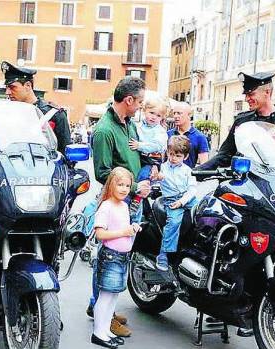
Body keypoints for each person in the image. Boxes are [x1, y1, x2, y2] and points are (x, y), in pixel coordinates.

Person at [88, 76, 151, 337]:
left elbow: (134, 154)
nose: (140, 107)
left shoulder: (128, 124)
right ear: (128, 100)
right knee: (108, 259)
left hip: (130, 202)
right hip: (118, 203)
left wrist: (151, 165)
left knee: (119, 257)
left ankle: (104, 308)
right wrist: (135, 188)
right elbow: (103, 174)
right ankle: (100, 310)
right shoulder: (104, 130)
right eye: (139, 102)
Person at [195, 71, 275, 172]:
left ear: (267, 92)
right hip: (244, 185)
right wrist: (199, 170)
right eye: (246, 95)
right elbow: (225, 155)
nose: (247, 99)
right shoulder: (242, 121)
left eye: (251, 94)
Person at [91, 167, 142, 349]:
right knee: (105, 296)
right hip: (111, 256)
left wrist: (133, 228)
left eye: (127, 186)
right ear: (111, 184)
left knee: (113, 296)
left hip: (122, 256)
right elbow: (100, 234)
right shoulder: (106, 206)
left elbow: (124, 228)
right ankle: (98, 332)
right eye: (120, 184)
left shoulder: (124, 206)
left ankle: (106, 329)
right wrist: (124, 232)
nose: (124, 189)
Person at [0, 61, 72, 154]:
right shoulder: (5, 113)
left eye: (12, 87)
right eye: (7, 88)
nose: (7, 92)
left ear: (28, 86)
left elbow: (65, 152)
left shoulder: (54, 114)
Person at [151, 135, 197, 271]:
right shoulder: (163, 168)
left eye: (177, 155)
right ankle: (163, 254)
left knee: (203, 216)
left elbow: (193, 189)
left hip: (188, 199)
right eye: (171, 154)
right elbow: (159, 177)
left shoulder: (188, 171)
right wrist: (157, 177)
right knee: (174, 223)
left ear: (185, 156)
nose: (173, 158)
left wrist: (183, 201)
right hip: (171, 199)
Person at [128, 95, 168, 181]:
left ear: (162, 118)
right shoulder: (138, 125)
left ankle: (140, 192)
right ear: (144, 111)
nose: (154, 117)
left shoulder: (160, 131)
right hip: (140, 157)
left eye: (158, 116)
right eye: (151, 113)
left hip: (152, 160)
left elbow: (156, 145)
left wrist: (139, 146)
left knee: (143, 176)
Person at [167, 102, 209, 168]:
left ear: (189, 115)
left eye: (179, 113)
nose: (175, 116)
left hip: (188, 176)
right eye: (174, 113)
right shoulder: (168, 134)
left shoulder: (199, 137)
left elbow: (204, 164)